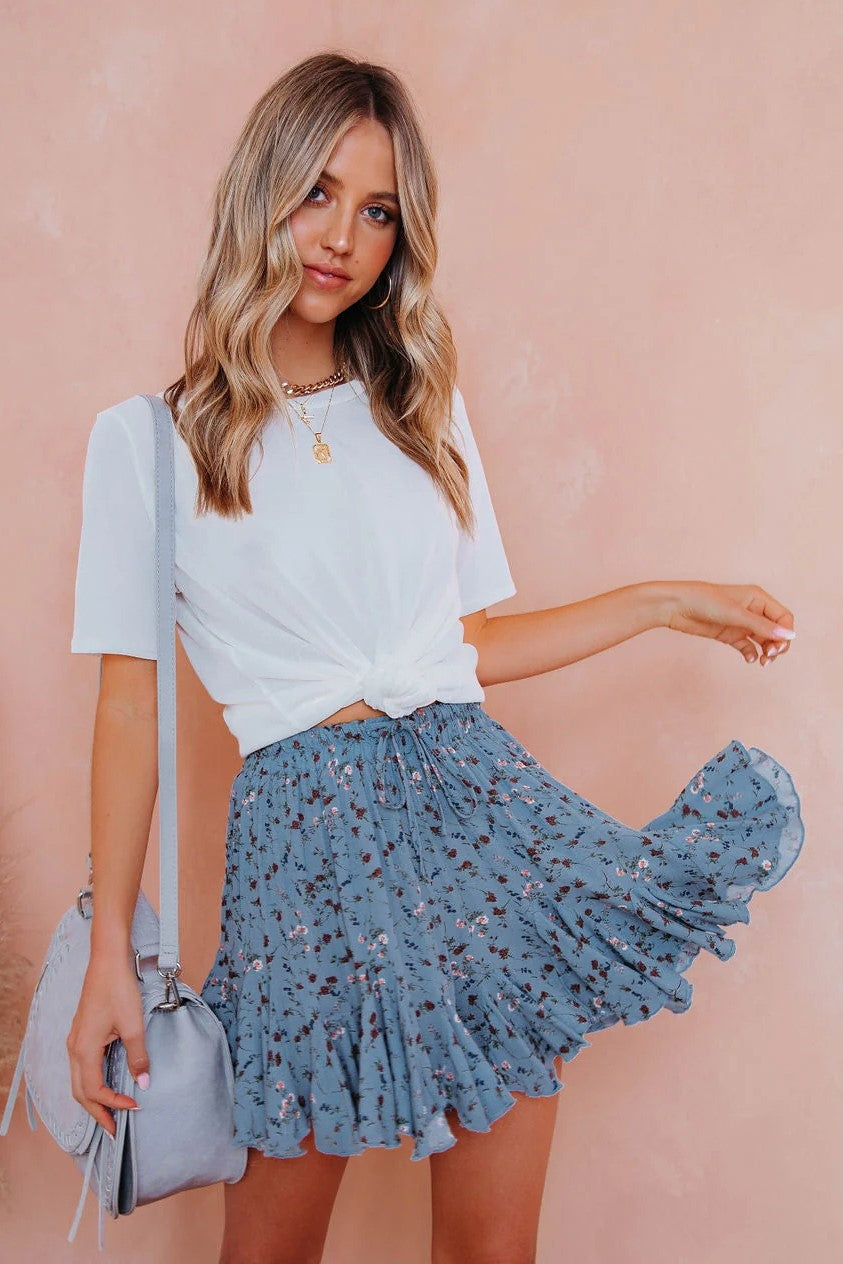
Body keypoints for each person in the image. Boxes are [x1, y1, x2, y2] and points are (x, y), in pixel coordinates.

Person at [66, 50, 805, 1264]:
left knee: (490, 1252)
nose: (342, 237)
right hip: (301, 860)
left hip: (473, 822)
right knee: (267, 1253)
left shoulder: (420, 406)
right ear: (260, 188)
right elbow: (126, 706)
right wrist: (110, 953)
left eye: (379, 211)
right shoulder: (148, 444)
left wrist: (665, 601)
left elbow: (456, 648)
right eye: (318, 191)